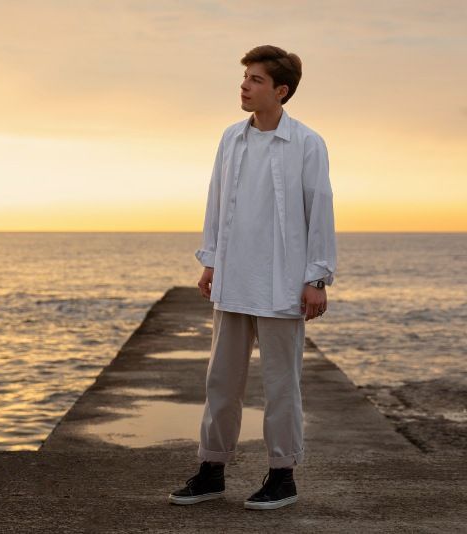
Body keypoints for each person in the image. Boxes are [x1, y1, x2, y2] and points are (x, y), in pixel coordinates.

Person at [168, 45, 337, 510]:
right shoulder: (231, 139)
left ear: (281, 91)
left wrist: (316, 278)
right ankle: (211, 470)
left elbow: (319, 210)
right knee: (221, 381)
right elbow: (216, 203)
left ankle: (282, 476)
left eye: (256, 79)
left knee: (283, 385)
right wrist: (212, 261)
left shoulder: (307, 143)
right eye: (244, 76)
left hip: (283, 282)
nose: (244, 85)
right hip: (234, 278)